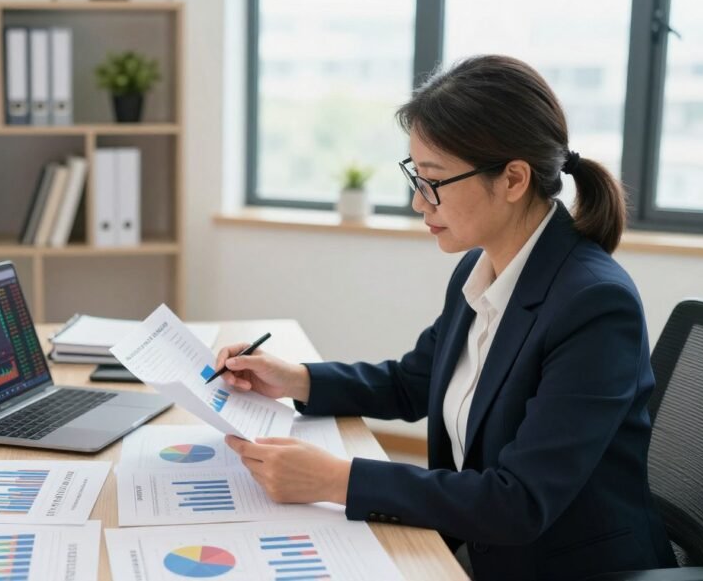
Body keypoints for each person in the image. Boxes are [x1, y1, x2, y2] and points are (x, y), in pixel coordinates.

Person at [218, 55, 676, 581]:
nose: (418, 201)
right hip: (477, 549)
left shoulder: (594, 306)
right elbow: (414, 382)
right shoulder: (478, 269)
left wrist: (336, 480)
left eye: (433, 180)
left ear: (513, 179)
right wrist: (293, 378)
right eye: (416, 175)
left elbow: (519, 500)